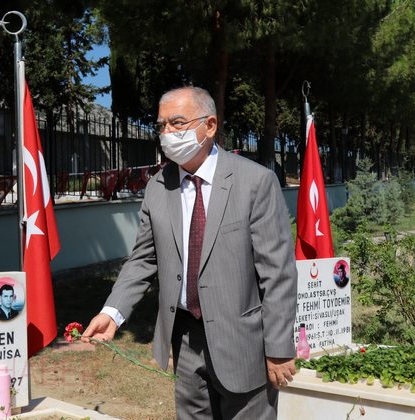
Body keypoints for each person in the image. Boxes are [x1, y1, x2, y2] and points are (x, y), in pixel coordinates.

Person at [82, 86, 298, 419]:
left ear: (210, 125)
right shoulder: (158, 186)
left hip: (243, 341)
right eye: (161, 125)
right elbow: (143, 259)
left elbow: (277, 272)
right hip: (185, 338)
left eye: (177, 123)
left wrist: (279, 347)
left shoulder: (254, 182)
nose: (167, 133)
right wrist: (113, 312)